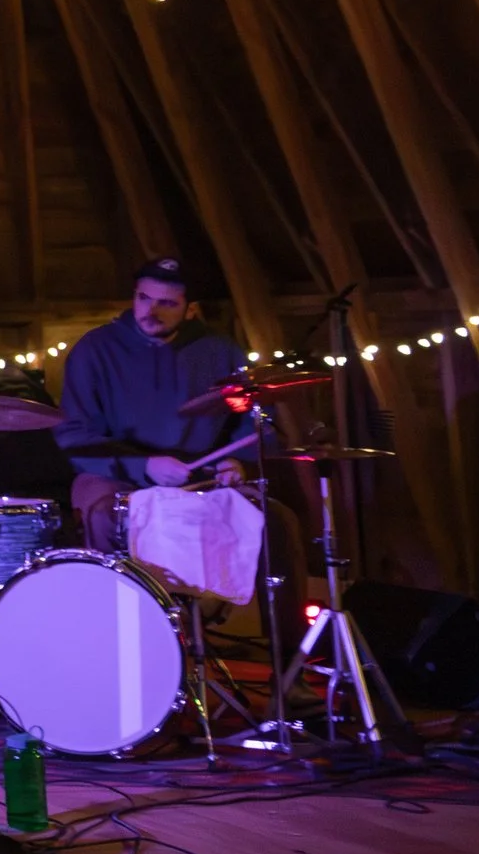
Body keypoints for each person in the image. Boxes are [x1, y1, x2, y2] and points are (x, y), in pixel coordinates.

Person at [55, 257, 305, 626]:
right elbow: (75, 434)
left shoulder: (220, 351)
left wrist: (238, 462)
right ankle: (122, 636)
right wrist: (145, 465)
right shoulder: (95, 350)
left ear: (191, 310)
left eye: (167, 303)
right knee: (102, 514)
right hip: (117, 473)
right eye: (143, 298)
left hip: (201, 475)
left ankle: (289, 667)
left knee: (279, 522)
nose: (150, 310)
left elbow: (250, 427)